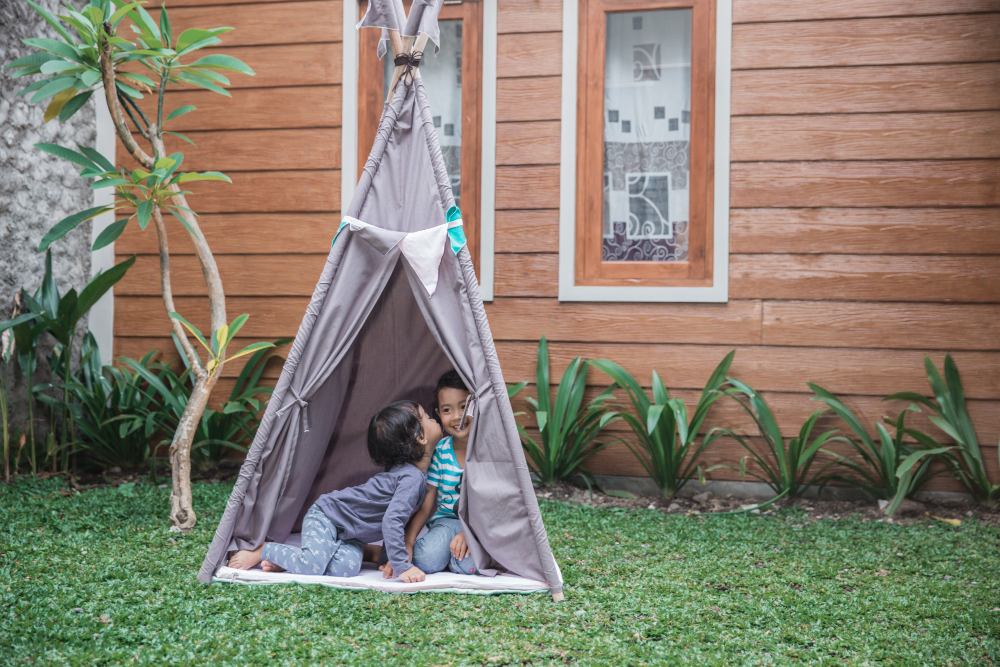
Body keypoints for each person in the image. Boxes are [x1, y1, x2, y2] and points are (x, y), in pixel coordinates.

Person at [228, 400, 441, 583]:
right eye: (428, 418)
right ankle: (264, 551)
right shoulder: (411, 478)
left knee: (345, 569)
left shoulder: (412, 476)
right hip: (327, 516)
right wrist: (402, 565)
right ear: (419, 437)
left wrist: (386, 559)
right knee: (313, 564)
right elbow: (392, 521)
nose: (434, 419)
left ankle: (293, 560)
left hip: (349, 533)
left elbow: (394, 520)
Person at [381, 370, 477, 578]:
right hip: (448, 522)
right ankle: (450, 553)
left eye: (464, 406)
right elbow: (426, 506)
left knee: (468, 565)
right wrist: (408, 542)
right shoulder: (441, 451)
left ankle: (461, 554)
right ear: (438, 414)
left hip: (481, 524)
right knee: (426, 557)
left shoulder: (489, 447)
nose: (458, 416)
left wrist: (470, 533)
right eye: (447, 410)